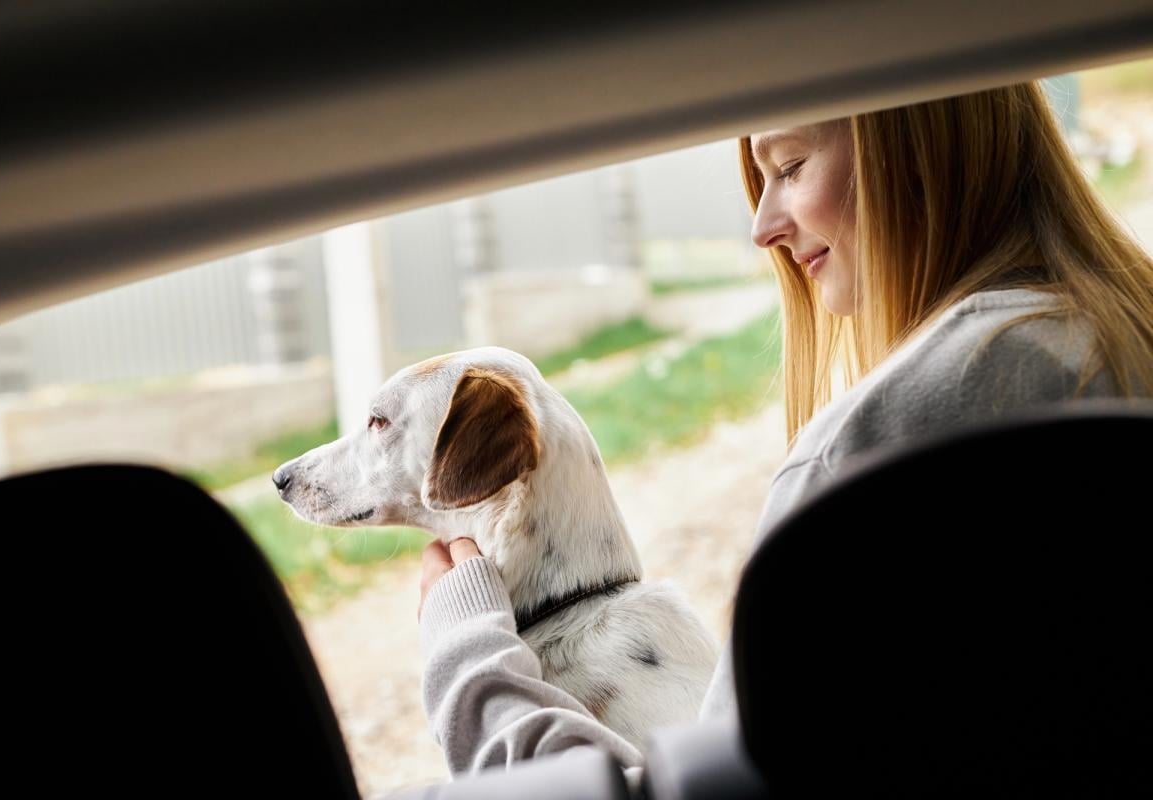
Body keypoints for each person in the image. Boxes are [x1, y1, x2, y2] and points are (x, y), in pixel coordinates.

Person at [415, 81, 1153, 776]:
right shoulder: (1129, 339)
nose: (764, 225)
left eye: (791, 166)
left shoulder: (867, 453)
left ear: (914, 145)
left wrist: (471, 664)